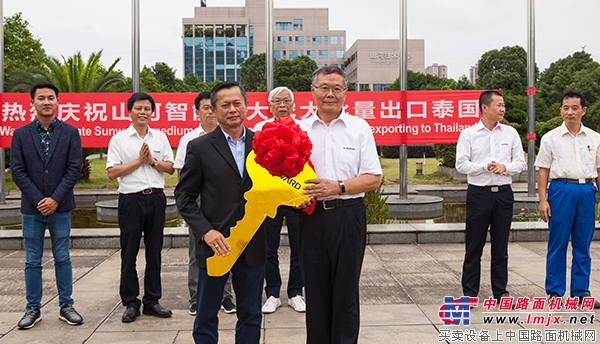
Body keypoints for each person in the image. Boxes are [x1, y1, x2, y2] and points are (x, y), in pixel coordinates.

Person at [175, 81, 266, 343]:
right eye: (224, 105)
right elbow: (184, 196)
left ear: (247, 106)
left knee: (250, 313)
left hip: (252, 242)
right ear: (213, 109)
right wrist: (206, 232)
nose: (232, 109)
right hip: (215, 245)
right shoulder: (200, 147)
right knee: (206, 314)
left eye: (237, 103)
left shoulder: (262, 144)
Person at [298, 66, 382, 344]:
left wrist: (339, 187)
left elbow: (373, 178)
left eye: (336, 88)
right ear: (313, 91)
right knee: (316, 292)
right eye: (323, 87)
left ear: (346, 93)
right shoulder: (299, 130)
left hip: (348, 217)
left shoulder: (359, 128)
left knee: (345, 292)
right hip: (310, 219)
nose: (329, 94)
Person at [11, 82, 84, 329]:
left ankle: (66, 306)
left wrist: (55, 199)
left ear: (57, 101)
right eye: (41, 98)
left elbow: (74, 169)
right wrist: (39, 200)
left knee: (62, 257)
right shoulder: (20, 134)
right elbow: (18, 172)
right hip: (32, 209)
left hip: (60, 207)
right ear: (32, 102)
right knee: (32, 259)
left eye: (50, 98)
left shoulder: (70, 132)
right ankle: (33, 308)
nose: (46, 102)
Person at [106, 92, 175, 323]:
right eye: (138, 108)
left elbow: (170, 168)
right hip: (131, 200)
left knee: (154, 252)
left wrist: (153, 161)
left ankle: (152, 301)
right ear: (130, 111)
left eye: (147, 108)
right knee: (130, 252)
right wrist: (139, 160)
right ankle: (131, 302)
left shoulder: (160, 137)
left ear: (152, 112)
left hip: (155, 199)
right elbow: (112, 172)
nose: (142, 112)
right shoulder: (119, 139)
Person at [455, 90, 526, 304]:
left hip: (504, 196)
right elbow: (461, 164)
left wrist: (505, 167)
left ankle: (500, 293)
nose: (503, 109)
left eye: (503, 105)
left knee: (500, 247)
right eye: (499, 105)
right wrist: (485, 166)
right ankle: (469, 293)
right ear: (485, 107)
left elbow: (520, 163)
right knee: (474, 246)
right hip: (479, 195)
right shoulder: (468, 134)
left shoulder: (511, 133)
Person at [534, 90, 600, 308]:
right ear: (561, 110)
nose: (569, 112)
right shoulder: (550, 138)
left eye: (574, 107)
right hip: (561, 189)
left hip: (586, 190)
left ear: (583, 110)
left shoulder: (595, 138)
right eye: (565, 108)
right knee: (558, 243)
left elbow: (598, 170)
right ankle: (554, 292)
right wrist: (543, 200)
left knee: (583, 244)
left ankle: (581, 292)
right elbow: (542, 171)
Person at [174, 91, 236, 316]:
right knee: (197, 250)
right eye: (205, 108)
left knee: (229, 246)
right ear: (197, 112)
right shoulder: (189, 139)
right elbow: (183, 178)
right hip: (199, 199)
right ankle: (195, 296)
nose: (210, 111)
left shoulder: (233, 137)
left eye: (213, 107)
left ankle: (226, 296)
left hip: (227, 200)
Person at [253, 87, 305, 314]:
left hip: (296, 197)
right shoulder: (258, 128)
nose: (282, 105)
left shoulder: (303, 127)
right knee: (268, 248)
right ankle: (272, 293)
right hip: (269, 197)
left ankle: (296, 292)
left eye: (286, 101)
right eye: (277, 101)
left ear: (294, 105)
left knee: (300, 247)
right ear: (269, 105)